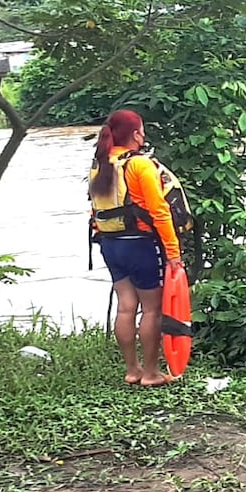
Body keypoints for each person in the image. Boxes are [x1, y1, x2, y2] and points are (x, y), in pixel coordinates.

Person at [89, 109, 183, 387]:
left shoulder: (101, 163)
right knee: (151, 310)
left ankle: (132, 370)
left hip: (110, 244)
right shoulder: (140, 164)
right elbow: (160, 211)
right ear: (135, 134)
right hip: (139, 246)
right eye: (141, 130)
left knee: (126, 307)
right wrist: (173, 252)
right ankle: (151, 374)